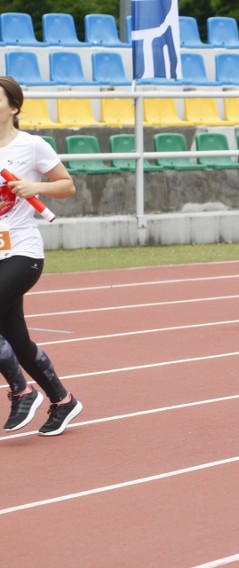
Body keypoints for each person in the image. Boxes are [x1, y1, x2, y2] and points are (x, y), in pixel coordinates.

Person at [0, 76, 82, 436]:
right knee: (17, 339)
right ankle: (63, 401)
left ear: (14, 107)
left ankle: (21, 390)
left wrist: (35, 186)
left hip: (22, 252)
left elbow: (67, 186)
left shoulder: (32, 146)